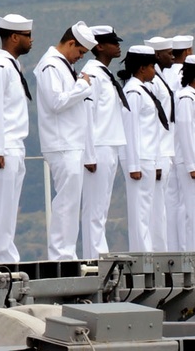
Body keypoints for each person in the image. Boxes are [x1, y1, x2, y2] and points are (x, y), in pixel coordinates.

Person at [33, 21, 95, 261]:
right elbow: (56, 102)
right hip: (61, 143)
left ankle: (66, 253)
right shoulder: (50, 65)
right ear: (71, 43)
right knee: (66, 202)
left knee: (71, 202)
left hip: (70, 142)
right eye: (79, 52)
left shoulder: (61, 65)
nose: (80, 57)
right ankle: (61, 255)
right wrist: (82, 85)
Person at [0, 13, 33, 263]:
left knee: (9, 210)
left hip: (14, 146)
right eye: (27, 35)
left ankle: (4, 257)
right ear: (14, 37)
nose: (31, 40)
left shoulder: (12, 65)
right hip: (2, 149)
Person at [80, 25, 128, 257]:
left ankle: (99, 253)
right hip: (98, 146)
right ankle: (94, 257)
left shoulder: (104, 74)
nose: (118, 46)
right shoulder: (92, 74)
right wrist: (89, 154)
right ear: (99, 46)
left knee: (102, 207)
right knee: (94, 207)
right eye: (112, 42)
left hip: (110, 144)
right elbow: (87, 116)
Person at [121, 45, 167, 251]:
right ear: (141, 68)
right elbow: (130, 129)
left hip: (148, 156)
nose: (154, 71)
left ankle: (148, 253)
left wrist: (156, 162)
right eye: (151, 66)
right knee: (139, 210)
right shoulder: (132, 92)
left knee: (147, 209)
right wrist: (133, 165)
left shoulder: (143, 90)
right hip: (139, 159)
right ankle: (142, 255)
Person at [148, 37, 179, 249]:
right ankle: (158, 253)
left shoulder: (160, 78)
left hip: (166, 151)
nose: (172, 56)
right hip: (159, 153)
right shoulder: (153, 82)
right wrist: (158, 160)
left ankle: (162, 250)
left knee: (163, 208)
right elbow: (154, 124)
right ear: (157, 55)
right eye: (169, 53)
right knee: (156, 209)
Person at [173, 58, 195, 250]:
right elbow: (185, 131)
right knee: (192, 210)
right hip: (191, 163)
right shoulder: (186, 97)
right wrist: (191, 165)